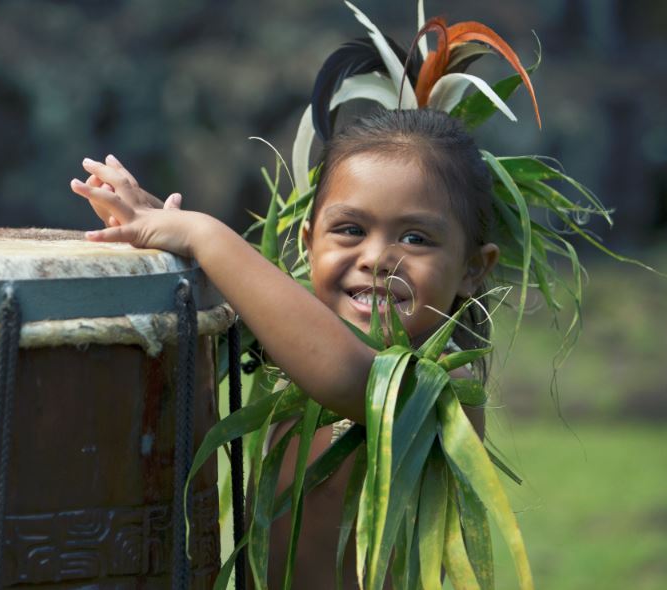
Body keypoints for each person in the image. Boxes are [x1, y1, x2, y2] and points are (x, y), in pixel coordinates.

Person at [68, 108, 497, 588]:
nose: (376, 259)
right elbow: (269, 306)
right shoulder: (293, 347)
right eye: (351, 230)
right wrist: (157, 226)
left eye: (416, 238)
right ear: (309, 243)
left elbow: (348, 376)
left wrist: (203, 234)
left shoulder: (442, 390)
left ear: (473, 269)